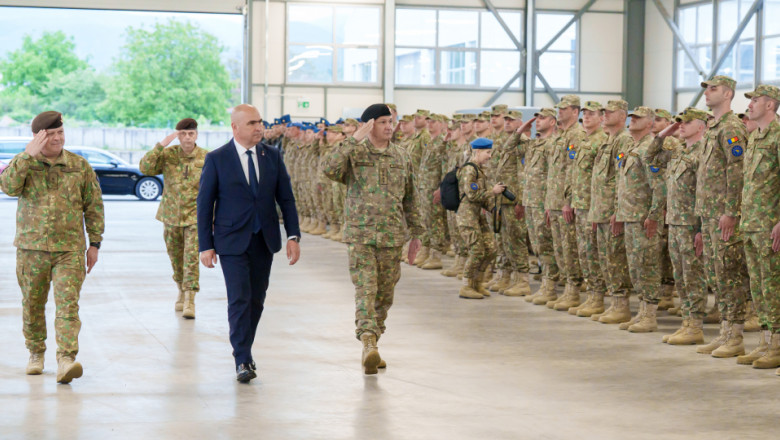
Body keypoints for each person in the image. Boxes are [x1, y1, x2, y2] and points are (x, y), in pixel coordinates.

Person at [196, 104, 301, 383]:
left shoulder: (272, 156)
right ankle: (242, 358)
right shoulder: (217, 159)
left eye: (260, 122)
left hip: (263, 239)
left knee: (256, 300)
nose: (259, 128)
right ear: (235, 127)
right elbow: (205, 204)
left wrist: (293, 235)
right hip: (231, 241)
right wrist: (205, 245)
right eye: (252, 123)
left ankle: (245, 348)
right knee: (239, 298)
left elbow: (286, 199)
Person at [0, 111, 104, 384]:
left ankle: (66, 360)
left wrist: (94, 243)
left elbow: (93, 206)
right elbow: (8, 187)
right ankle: (36, 353)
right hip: (31, 248)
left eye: (61, 132)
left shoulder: (79, 165)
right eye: (51, 134)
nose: (58, 138)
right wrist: (26, 156)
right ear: (38, 137)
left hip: (69, 249)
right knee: (33, 304)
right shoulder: (24, 163)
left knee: (68, 306)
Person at [323, 103, 423, 375]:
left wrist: (416, 234)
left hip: (392, 237)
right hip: (361, 235)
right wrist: (353, 139)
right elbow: (329, 169)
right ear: (369, 125)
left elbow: (411, 197)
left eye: (391, 122)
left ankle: (374, 342)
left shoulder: (401, 156)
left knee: (384, 295)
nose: (389, 127)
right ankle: (367, 340)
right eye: (382, 122)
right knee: (366, 289)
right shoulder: (354, 154)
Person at [695, 75, 751, 358]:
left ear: (728, 94)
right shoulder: (713, 127)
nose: (707, 92)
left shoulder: (731, 128)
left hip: (723, 216)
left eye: (713, 89)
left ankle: (736, 336)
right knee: (716, 275)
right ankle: (725, 333)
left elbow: (737, 172)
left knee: (730, 275)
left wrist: (731, 211)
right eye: (706, 89)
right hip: (708, 214)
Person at [646, 108, 709, 344]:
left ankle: (695, 326)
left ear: (701, 126)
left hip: (692, 224)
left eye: (687, 122)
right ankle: (686, 323)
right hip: (674, 222)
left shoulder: (704, 152)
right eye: (679, 121)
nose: (681, 125)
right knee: (680, 275)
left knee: (693, 276)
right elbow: (650, 158)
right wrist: (665, 133)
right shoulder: (679, 152)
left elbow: (705, 191)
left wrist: (702, 229)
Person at [139, 118, 207, 318]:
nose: (187, 138)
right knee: (176, 258)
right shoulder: (168, 155)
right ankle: (180, 288)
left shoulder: (207, 157)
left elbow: (216, 188)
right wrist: (161, 145)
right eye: (183, 134)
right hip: (171, 216)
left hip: (195, 217)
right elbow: (145, 168)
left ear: (196, 135)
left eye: (191, 133)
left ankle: (190, 299)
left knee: (191, 259)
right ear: (178, 135)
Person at [739, 84, 780, 371]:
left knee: (774, 286)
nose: (750, 104)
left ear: (770, 104)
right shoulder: (755, 138)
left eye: (755, 100)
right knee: (759, 286)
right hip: (752, 223)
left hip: (770, 224)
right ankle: (766, 342)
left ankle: (777, 345)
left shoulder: (778, 136)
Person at [457, 137, 506, 299]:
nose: (489, 156)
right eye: (487, 152)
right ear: (477, 152)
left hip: (477, 215)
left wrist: (492, 208)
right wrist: (493, 191)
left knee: (491, 249)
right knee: (477, 250)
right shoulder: (469, 170)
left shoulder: (479, 170)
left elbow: (480, 198)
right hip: (467, 216)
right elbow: (472, 194)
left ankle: (477, 282)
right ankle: (466, 285)